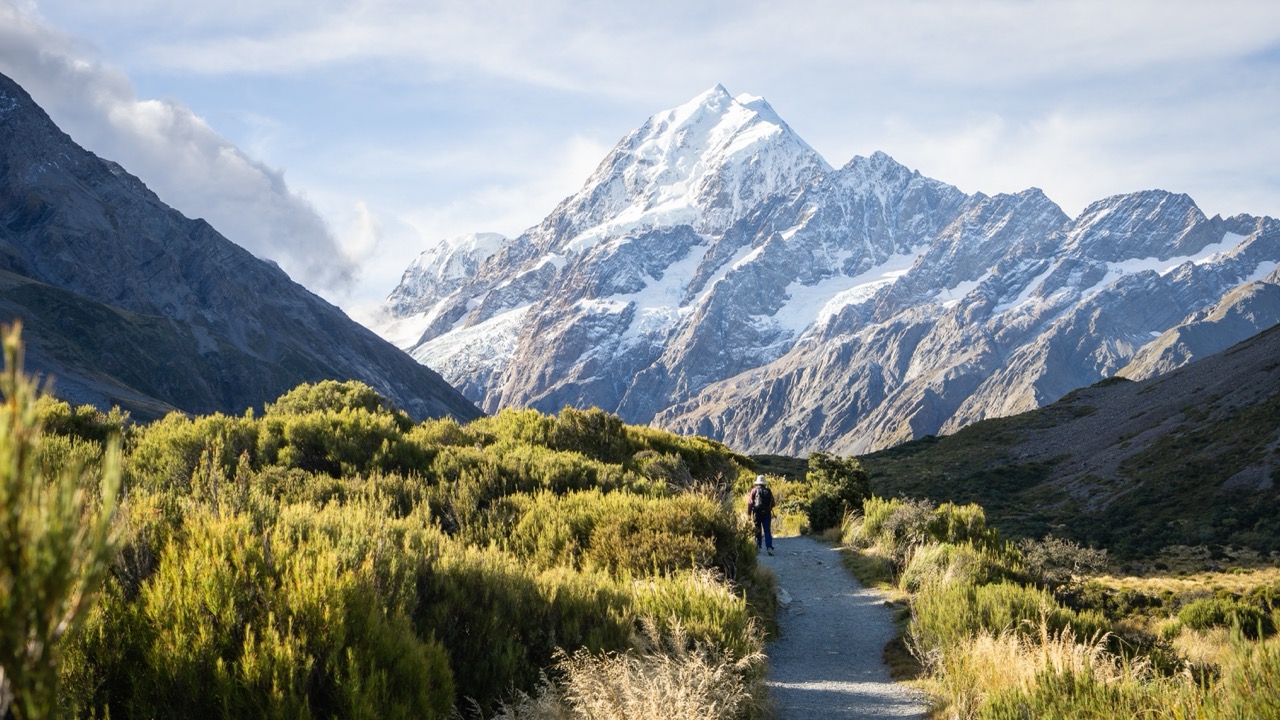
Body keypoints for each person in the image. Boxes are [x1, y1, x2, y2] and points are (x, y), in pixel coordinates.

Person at [747, 474, 775, 555]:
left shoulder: (754, 490)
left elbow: (750, 503)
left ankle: (758, 547)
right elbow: (773, 503)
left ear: (757, 483)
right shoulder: (768, 491)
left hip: (757, 513)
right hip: (766, 514)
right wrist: (768, 508)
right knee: (767, 530)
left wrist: (748, 514)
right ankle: (769, 547)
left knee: (757, 530)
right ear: (764, 483)